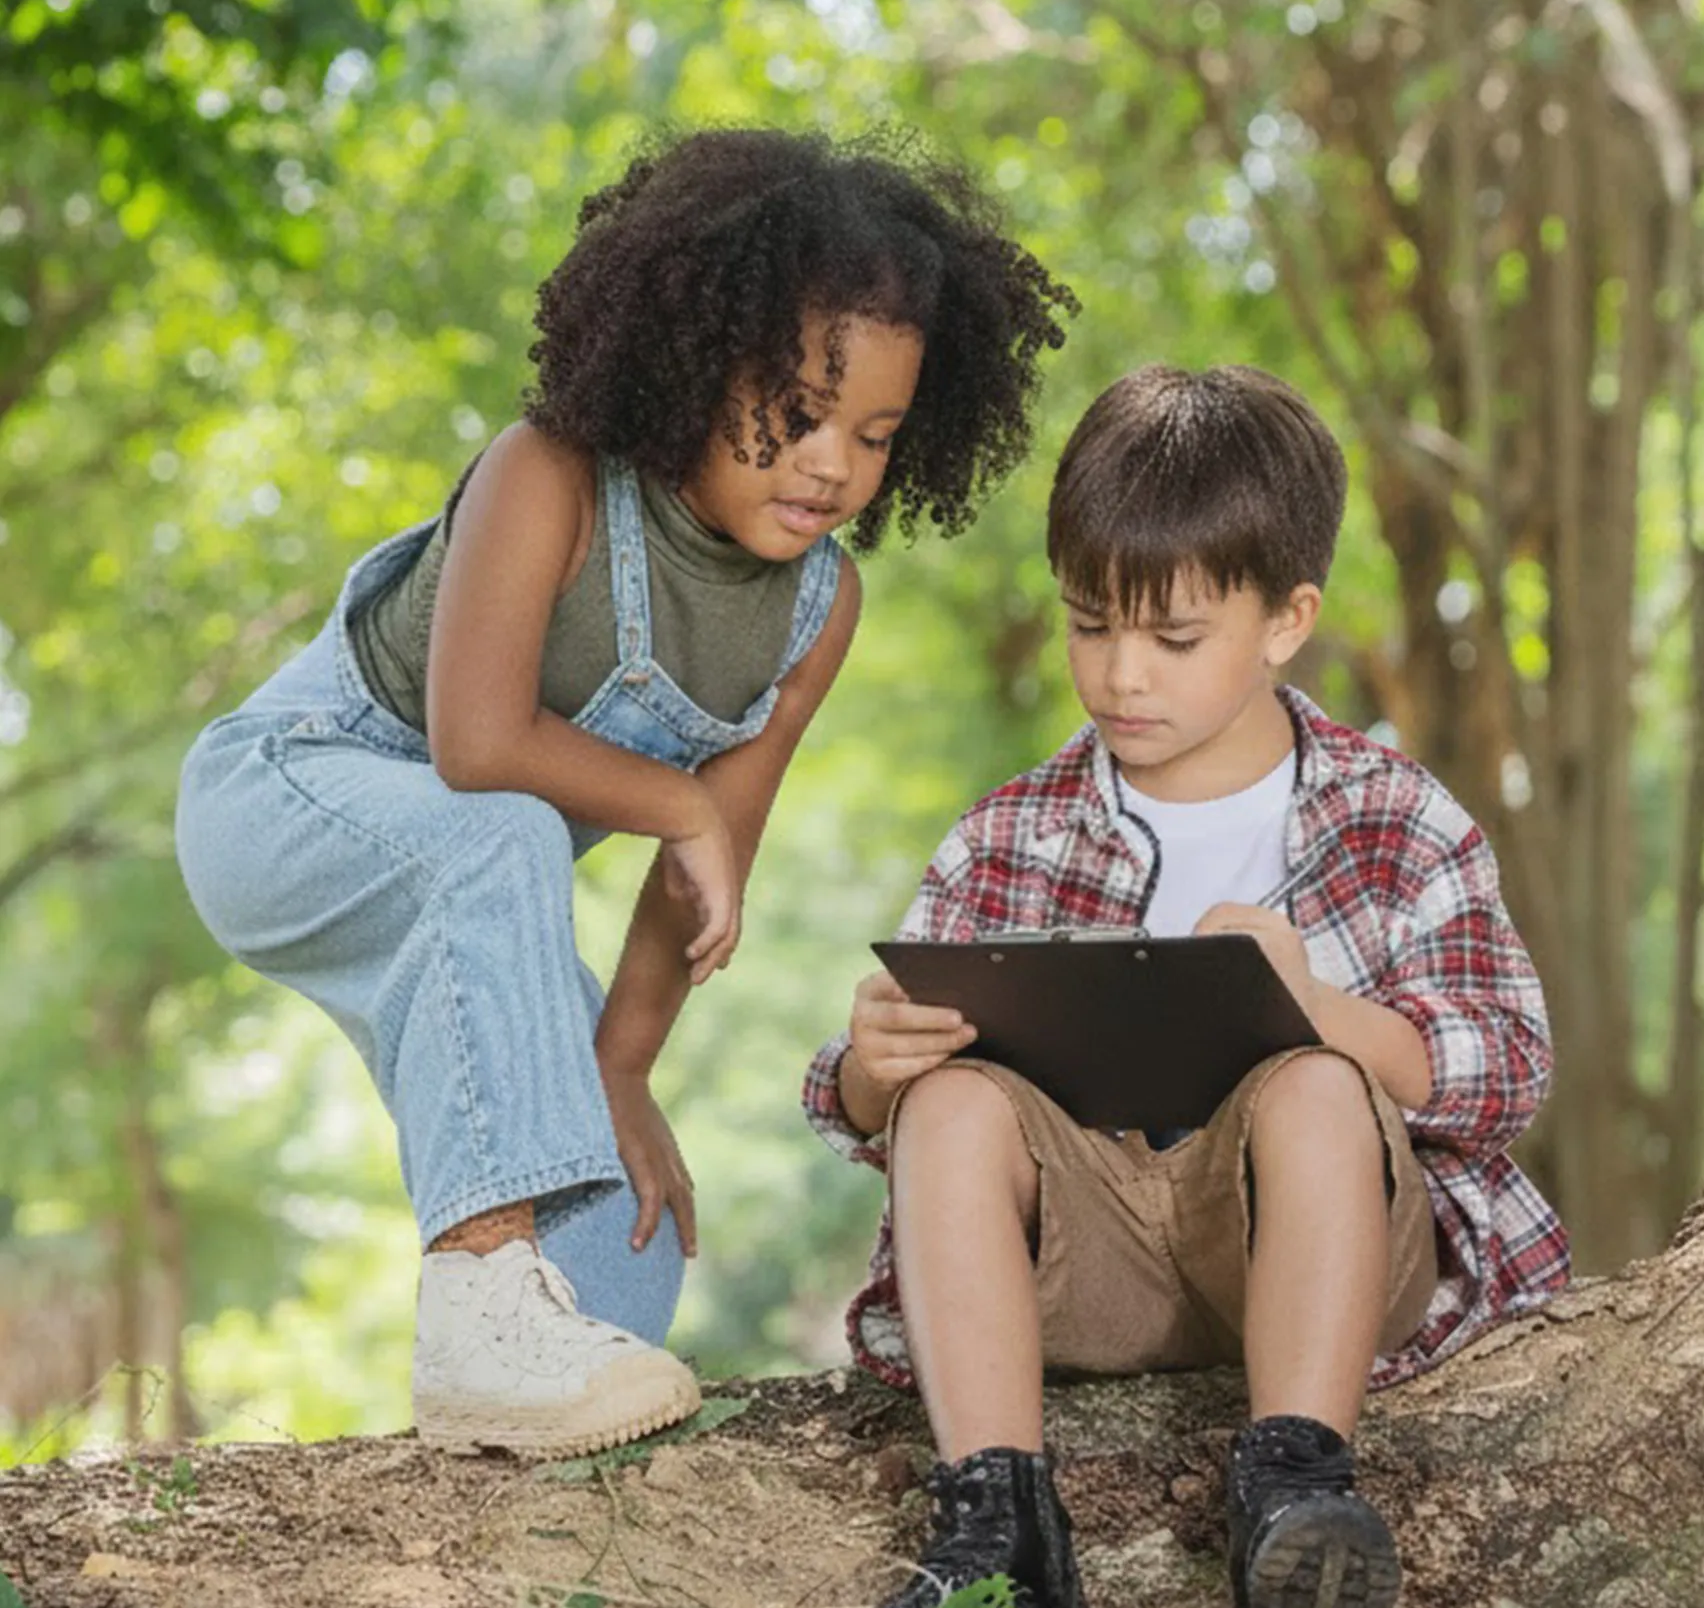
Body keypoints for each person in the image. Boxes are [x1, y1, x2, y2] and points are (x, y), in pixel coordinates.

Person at [176, 126, 1076, 1460]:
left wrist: (620, 1072)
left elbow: (698, 884)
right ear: (690, 363)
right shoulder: (550, 479)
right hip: (286, 800)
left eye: (875, 435)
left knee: (627, 1248)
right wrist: (681, 804)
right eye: (795, 410)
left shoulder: (817, 610)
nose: (830, 463)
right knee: (502, 831)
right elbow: (478, 744)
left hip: (467, 882)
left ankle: (501, 1400)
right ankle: (482, 1303)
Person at [801, 363, 1570, 1608]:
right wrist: (875, 1072)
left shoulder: (1394, 817)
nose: (1118, 675)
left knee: (1316, 1084)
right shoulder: (1013, 830)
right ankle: (1002, 1540)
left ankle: (1294, 1506)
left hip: (1313, 1251)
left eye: (1171, 640)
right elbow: (873, 1109)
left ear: (1286, 622)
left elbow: (1506, 1072)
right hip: (1088, 1260)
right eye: (1090, 625)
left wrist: (1318, 1011)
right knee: (952, 1100)